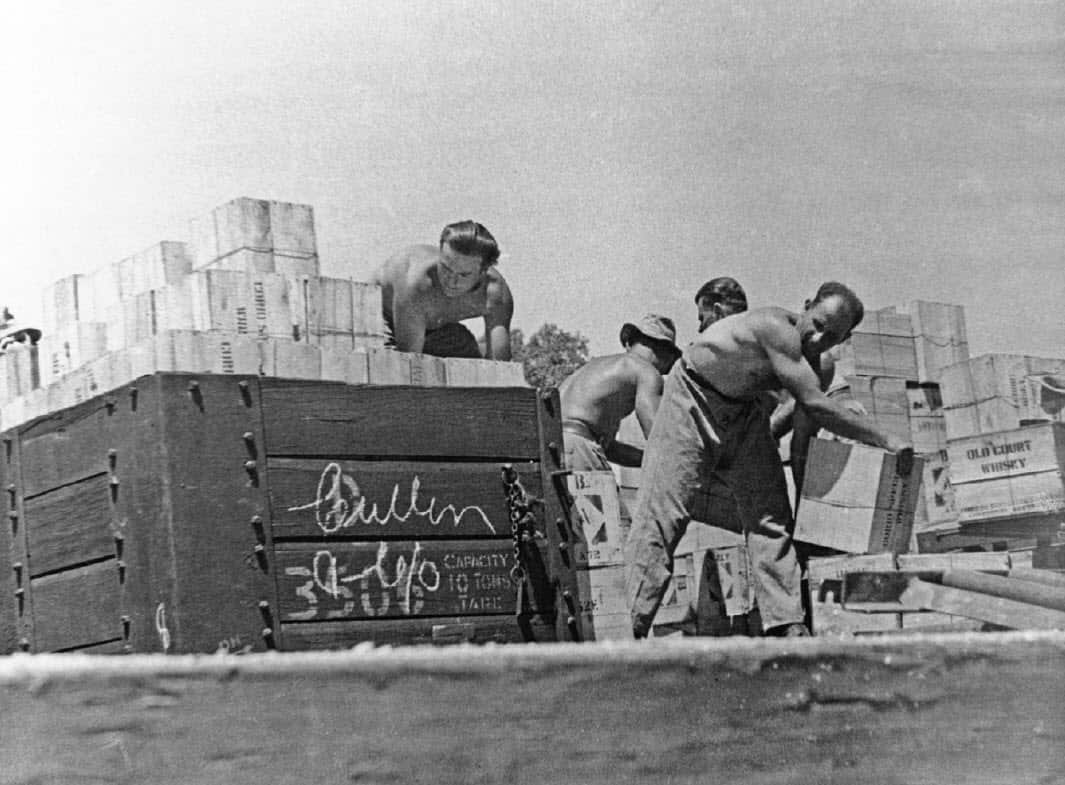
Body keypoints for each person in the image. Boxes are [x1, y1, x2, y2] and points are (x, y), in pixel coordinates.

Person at [625, 282, 913, 639]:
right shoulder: (776, 328)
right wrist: (886, 438)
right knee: (662, 516)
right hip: (692, 399)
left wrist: (807, 520)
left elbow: (802, 442)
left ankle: (786, 623)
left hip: (745, 413)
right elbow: (817, 405)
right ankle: (629, 629)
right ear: (805, 306)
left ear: (843, 340)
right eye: (818, 323)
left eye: (832, 336)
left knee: (770, 516)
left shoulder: (818, 367)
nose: (819, 338)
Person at [373, 221, 513, 359]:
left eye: (464, 275)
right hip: (378, 319)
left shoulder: (495, 293)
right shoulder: (416, 282)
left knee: (468, 354)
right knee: (390, 369)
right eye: (445, 268)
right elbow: (410, 363)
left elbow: (500, 365)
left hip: (434, 328)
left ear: (483, 272)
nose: (451, 281)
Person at [558, 315, 682, 471]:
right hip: (578, 450)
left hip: (555, 449)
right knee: (600, 495)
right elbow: (656, 437)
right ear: (666, 354)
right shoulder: (646, 371)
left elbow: (608, 449)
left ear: (629, 343)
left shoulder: (596, 368)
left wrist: (646, 458)